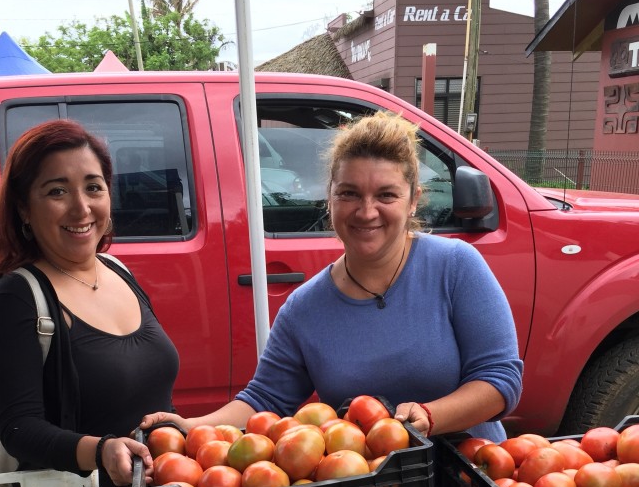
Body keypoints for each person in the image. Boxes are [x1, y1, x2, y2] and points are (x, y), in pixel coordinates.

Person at [142, 111, 521, 441]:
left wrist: (431, 415)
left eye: (386, 195)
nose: (366, 211)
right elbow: (265, 400)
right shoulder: (305, 308)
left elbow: (501, 379)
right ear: (330, 198)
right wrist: (191, 428)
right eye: (349, 193)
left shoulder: (455, 266)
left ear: (414, 200)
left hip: (468, 482)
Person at [0, 119, 179, 487]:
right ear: (24, 208)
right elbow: (18, 431)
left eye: (94, 187)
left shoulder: (117, 270)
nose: (81, 207)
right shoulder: (15, 301)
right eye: (57, 191)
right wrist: (101, 450)